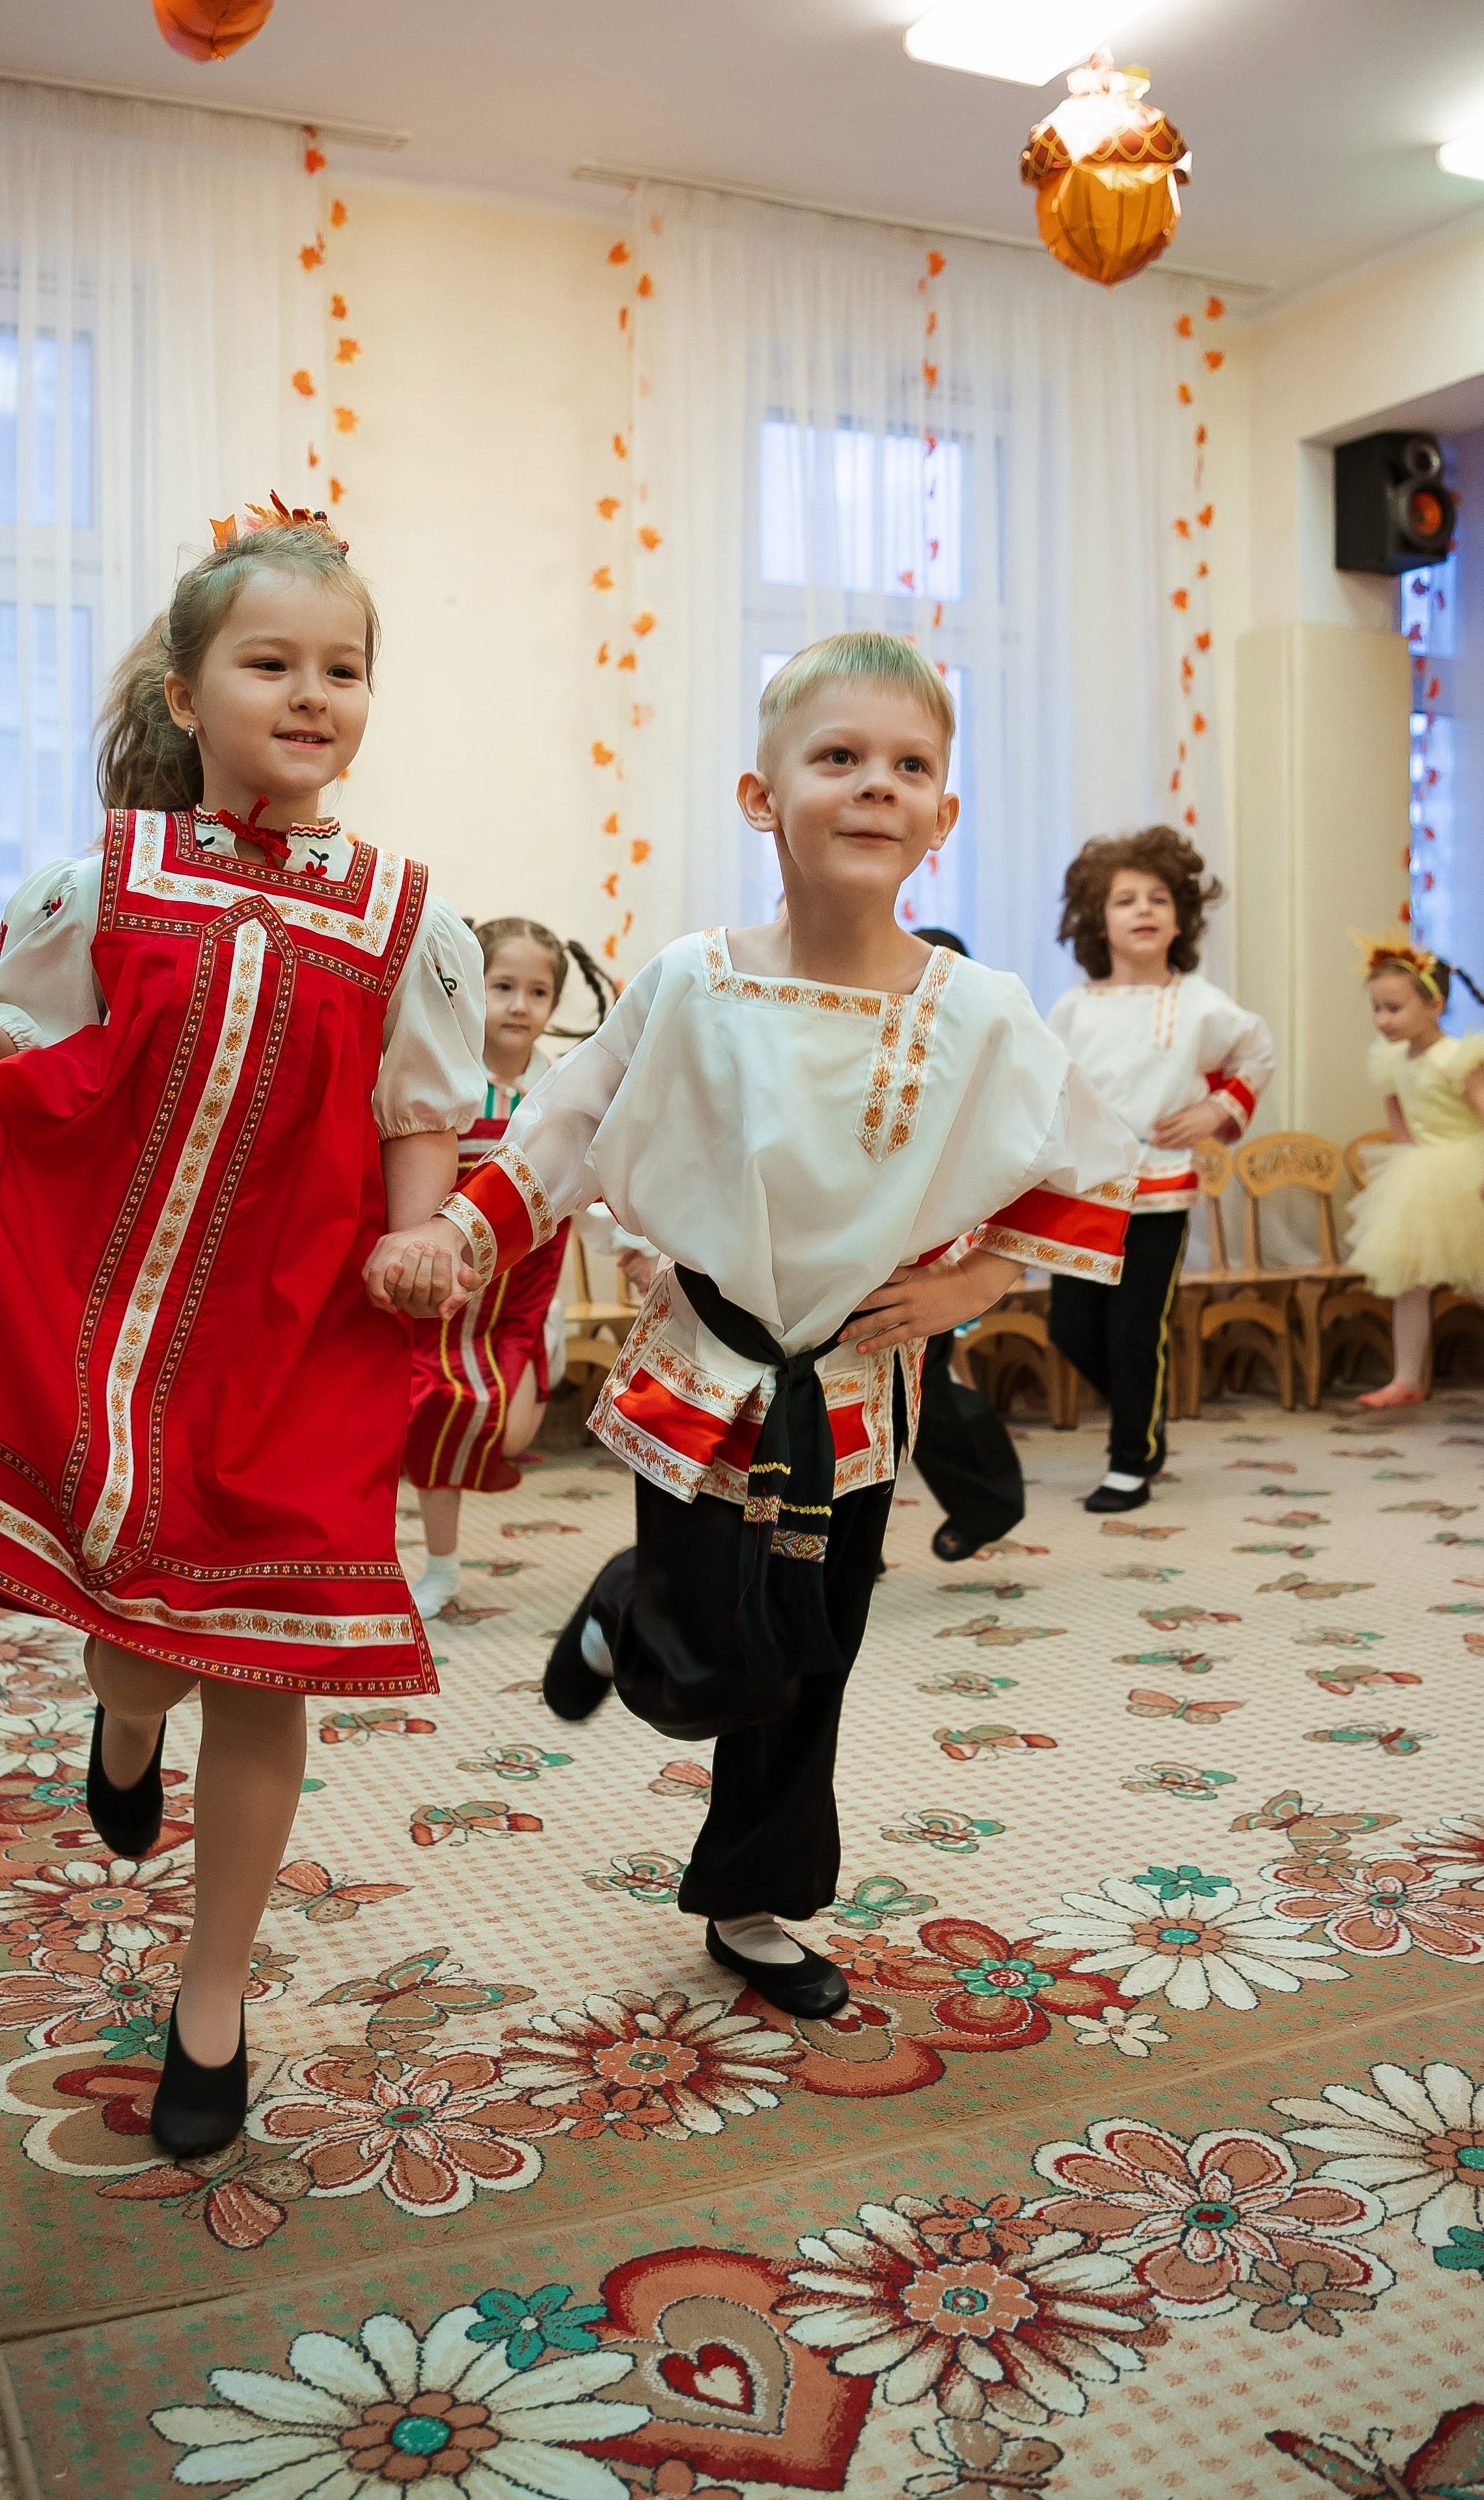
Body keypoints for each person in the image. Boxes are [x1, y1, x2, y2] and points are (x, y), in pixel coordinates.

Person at [0, 504, 484, 2158]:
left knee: (260, 1667)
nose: (310, 692)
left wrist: (418, 1230)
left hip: (297, 1341)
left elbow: (423, 1112)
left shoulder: (406, 917)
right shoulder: (109, 874)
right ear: (187, 695)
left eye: (343, 667)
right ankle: (121, 1709)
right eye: (271, 661)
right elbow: (22, 1014)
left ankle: (215, 1991)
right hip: (120, 1327)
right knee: (146, 1639)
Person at [363, 630, 1138, 2022]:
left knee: (811, 1656)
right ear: (759, 795)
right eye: (835, 758)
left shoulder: (980, 1011)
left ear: (942, 816)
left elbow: (1088, 1171)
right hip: (703, 1370)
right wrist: (455, 1239)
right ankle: (628, 1608)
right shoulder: (692, 981)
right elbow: (566, 1134)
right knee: (706, 1657)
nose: (871, 787)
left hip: (847, 1390)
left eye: (907, 766)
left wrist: (967, 1288)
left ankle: (751, 1897)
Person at [1047, 827, 1274, 1511]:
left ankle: (1130, 1461)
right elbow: (1045, 1090)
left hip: (1160, 1192)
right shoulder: (1072, 1008)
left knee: (1133, 1330)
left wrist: (1215, 1111)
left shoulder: (1203, 1003)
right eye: (1123, 900)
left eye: (1157, 898)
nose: (1142, 909)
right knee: (1071, 1328)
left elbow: (1256, 1053)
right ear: (1098, 920)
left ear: (1180, 918)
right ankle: (1140, 1417)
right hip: (1083, 1192)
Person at [404, 916, 614, 1619]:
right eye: (503, 986)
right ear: (473, 991)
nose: (520, 1005)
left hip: (518, 1306)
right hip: (432, 1302)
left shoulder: (560, 1098)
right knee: (427, 1421)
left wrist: (637, 1259)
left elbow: (590, 1196)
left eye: (537, 991)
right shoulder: (439, 1085)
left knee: (507, 1430)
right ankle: (437, 1567)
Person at [907, 926, 1027, 1561]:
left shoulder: (979, 1061)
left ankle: (990, 1500)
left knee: (919, 1391)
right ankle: (832, 1551)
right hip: (825, 1262)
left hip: (927, 1262)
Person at [1345, 933, 1484, 1408]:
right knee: (1409, 1281)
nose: (1383, 1020)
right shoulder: (1390, 1059)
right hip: (1422, 1174)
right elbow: (1400, 1117)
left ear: (1435, 1005)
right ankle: (1406, 1379)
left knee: (1479, 1279)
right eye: (1378, 1009)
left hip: (1470, 1171)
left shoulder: (1459, 1057)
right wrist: (1406, 1168)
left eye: (1395, 1009)